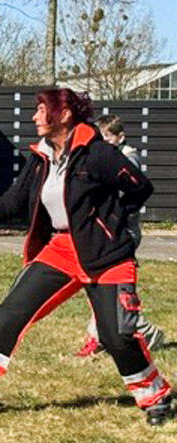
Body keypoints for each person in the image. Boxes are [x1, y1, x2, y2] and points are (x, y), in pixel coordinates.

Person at [0, 88, 173, 426]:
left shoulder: (98, 153)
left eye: (42, 110)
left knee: (117, 336)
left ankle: (156, 397)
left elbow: (140, 186)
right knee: (8, 315)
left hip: (106, 256)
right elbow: (12, 203)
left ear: (65, 114)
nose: (35, 117)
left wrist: (111, 221)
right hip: (60, 250)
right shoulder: (40, 157)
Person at [74, 114, 166, 356]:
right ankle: (124, 333)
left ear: (120, 137)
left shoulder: (126, 158)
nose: (102, 142)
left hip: (122, 231)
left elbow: (131, 192)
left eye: (107, 137)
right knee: (99, 285)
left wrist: (116, 216)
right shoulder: (102, 157)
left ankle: (123, 333)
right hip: (105, 230)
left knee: (107, 288)